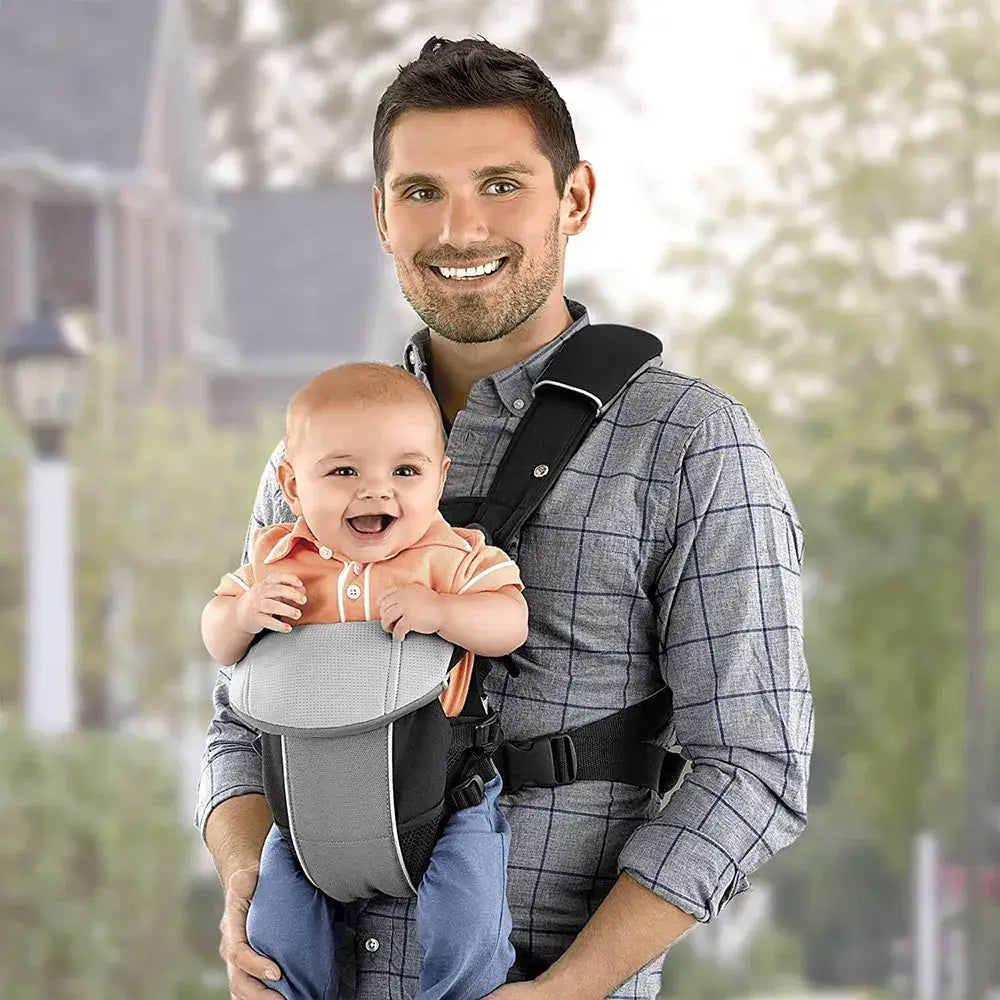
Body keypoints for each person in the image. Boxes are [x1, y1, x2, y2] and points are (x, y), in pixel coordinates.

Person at [197, 36, 813, 1000]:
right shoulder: (319, 446)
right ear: (381, 215)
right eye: (422, 192)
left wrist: (568, 990)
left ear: (573, 200)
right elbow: (242, 720)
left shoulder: (691, 443)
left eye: (500, 183)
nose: (459, 228)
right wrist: (245, 893)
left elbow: (755, 767)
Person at [201, 362, 528, 1000]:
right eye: (344, 471)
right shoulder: (279, 559)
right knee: (275, 933)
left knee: (467, 921)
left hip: (441, 798)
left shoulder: (452, 557)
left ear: (440, 479)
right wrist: (242, 613)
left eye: (405, 472)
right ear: (293, 488)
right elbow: (219, 643)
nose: (376, 493)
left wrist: (445, 613)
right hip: (305, 813)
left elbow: (510, 620)